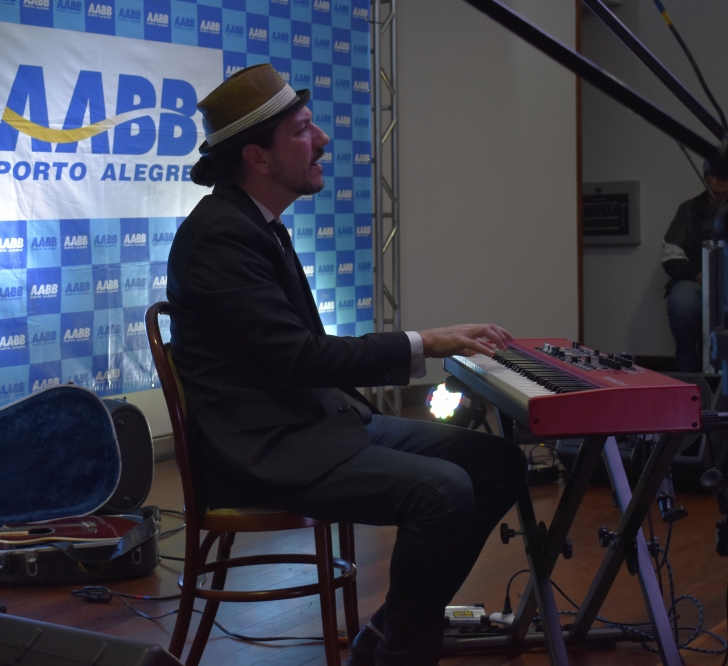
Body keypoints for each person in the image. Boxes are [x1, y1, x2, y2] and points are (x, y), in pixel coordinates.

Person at [166, 64, 527, 666]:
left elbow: (297, 353)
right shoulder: (220, 237)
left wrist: (426, 343)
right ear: (256, 156)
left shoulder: (252, 225)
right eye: (303, 129)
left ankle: (386, 635)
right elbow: (300, 358)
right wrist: (426, 342)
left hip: (310, 427)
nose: (323, 139)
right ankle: (395, 654)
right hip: (265, 452)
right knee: (442, 493)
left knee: (498, 464)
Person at [662, 160, 728, 372]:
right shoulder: (689, 210)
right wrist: (698, 275)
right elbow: (671, 255)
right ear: (705, 177)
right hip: (698, 283)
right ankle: (687, 367)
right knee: (681, 300)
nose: (720, 180)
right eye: (715, 174)